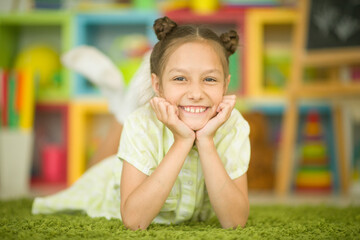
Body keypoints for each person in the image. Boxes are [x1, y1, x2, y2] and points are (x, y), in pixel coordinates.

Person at [32, 16, 250, 230]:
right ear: (157, 85)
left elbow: (235, 222)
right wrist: (182, 141)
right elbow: (134, 220)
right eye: (180, 78)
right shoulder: (142, 123)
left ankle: (122, 105)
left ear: (225, 85)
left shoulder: (234, 126)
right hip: (107, 184)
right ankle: (123, 108)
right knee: (92, 176)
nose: (196, 93)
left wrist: (206, 141)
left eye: (210, 79)